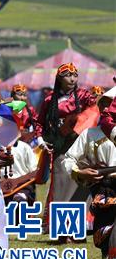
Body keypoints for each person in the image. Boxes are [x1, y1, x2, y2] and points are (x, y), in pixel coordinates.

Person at [39, 62, 98, 234]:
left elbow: (95, 110)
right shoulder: (50, 100)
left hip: (80, 145)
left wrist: (77, 126)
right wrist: (42, 141)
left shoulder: (84, 95)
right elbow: (39, 124)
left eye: (75, 75)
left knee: (81, 186)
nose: (72, 78)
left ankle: (79, 227)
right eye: (68, 75)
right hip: (61, 146)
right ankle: (59, 228)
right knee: (61, 186)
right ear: (59, 78)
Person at [62, 87, 116, 259]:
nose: (107, 108)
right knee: (102, 236)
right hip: (104, 190)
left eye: (111, 104)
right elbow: (68, 159)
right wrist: (79, 172)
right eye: (103, 104)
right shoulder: (90, 134)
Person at [5, 124, 41, 205]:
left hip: (23, 186)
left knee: (19, 200)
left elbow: (34, 171)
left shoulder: (24, 147)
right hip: (3, 187)